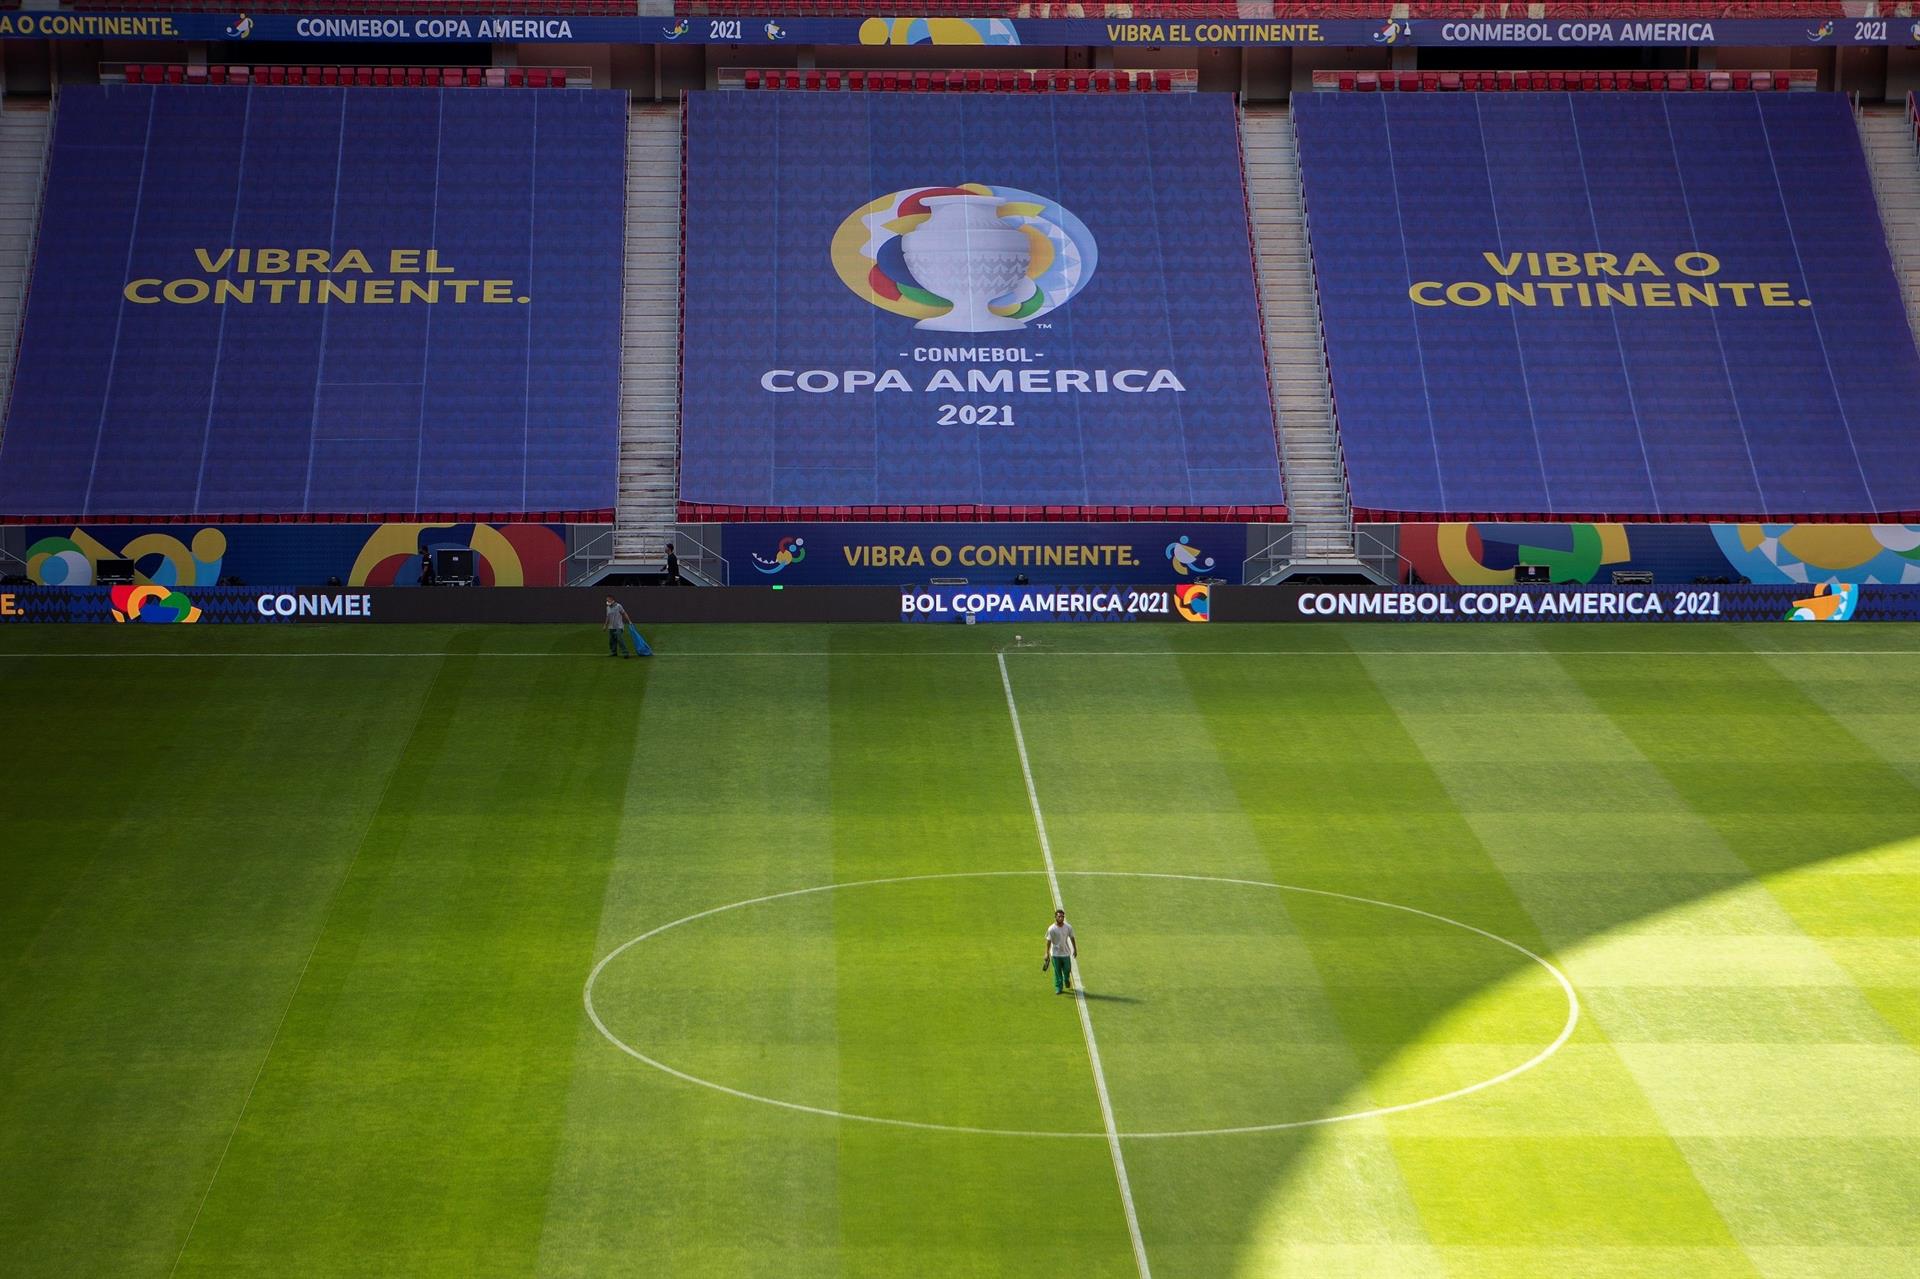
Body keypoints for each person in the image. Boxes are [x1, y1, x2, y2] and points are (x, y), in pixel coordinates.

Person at [1042, 908, 1077, 995]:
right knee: (1057, 972)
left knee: (1067, 969)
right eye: (1059, 916)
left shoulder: (1068, 927)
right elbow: (1048, 941)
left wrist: (1075, 949)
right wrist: (1046, 953)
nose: (1061, 918)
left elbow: (1072, 937)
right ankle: (1058, 987)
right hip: (1055, 954)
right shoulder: (1051, 929)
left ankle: (1066, 979)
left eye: (1062, 916)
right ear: (1055, 917)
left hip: (1065, 953)